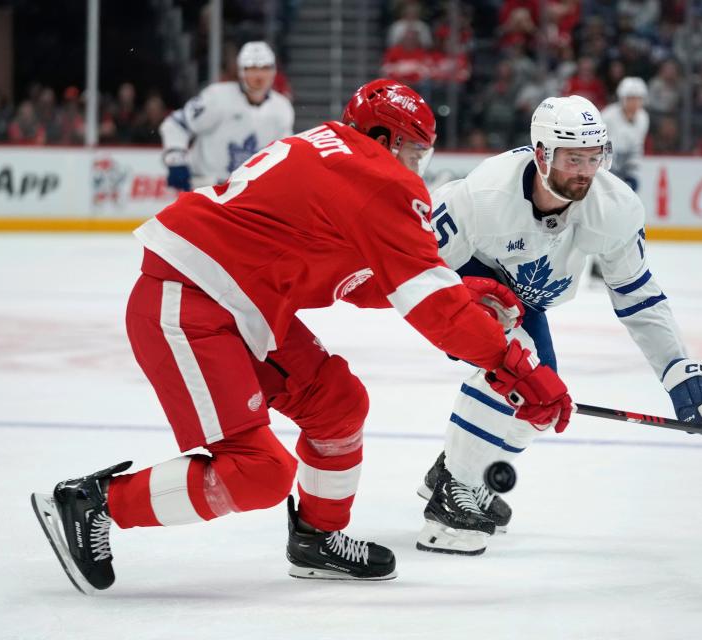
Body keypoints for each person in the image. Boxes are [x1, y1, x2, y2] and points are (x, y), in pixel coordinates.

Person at [30, 79, 573, 594]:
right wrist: (516, 369)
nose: (417, 168)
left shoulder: (328, 152)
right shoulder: (378, 176)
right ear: (384, 139)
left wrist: (457, 288)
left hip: (238, 304)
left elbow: (362, 282)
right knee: (260, 472)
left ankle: (317, 539)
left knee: (337, 403)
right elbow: (426, 304)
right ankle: (95, 504)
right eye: (414, 151)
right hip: (190, 299)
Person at [414, 95, 702, 556]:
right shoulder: (485, 195)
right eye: (572, 157)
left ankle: (460, 472)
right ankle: (450, 499)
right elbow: (419, 268)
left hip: (524, 301)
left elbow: (638, 296)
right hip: (468, 286)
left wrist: (677, 367)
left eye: (593, 157)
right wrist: (465, 302)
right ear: (542, 153)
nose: (585, 170)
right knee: (516, 374)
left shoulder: (614, 207)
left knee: (544, 402)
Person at [160, 41, 294, 191]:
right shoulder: (217, 98)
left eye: (265, 68)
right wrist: (176, 159)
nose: (259, 75)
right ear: (241, 71)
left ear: (274, 71)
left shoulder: (282, 108)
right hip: (207, 189)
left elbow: (284, 155)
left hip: (249, 195)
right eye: (252, 68)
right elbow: (177, 124)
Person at [601, 77, 649, 192]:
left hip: (625, 165)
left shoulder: (643, 118)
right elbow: (603, 145)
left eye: (638, 99)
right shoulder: (608, 116)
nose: (635, 103)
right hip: (605, 166)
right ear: (622, 98)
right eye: (631, 98)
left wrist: (633, 173)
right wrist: (609, 171)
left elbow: (637, 147)